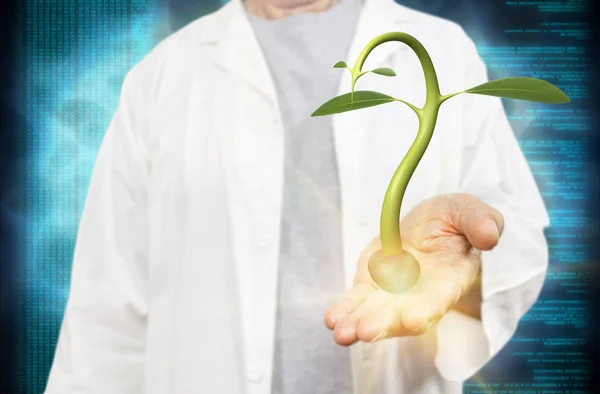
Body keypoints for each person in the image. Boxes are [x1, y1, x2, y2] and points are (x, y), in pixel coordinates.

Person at [44, 0, 550, 392]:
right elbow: (105, 317)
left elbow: (513, 234)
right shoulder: (159, 78)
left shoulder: (442, 51)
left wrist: (470, 262)